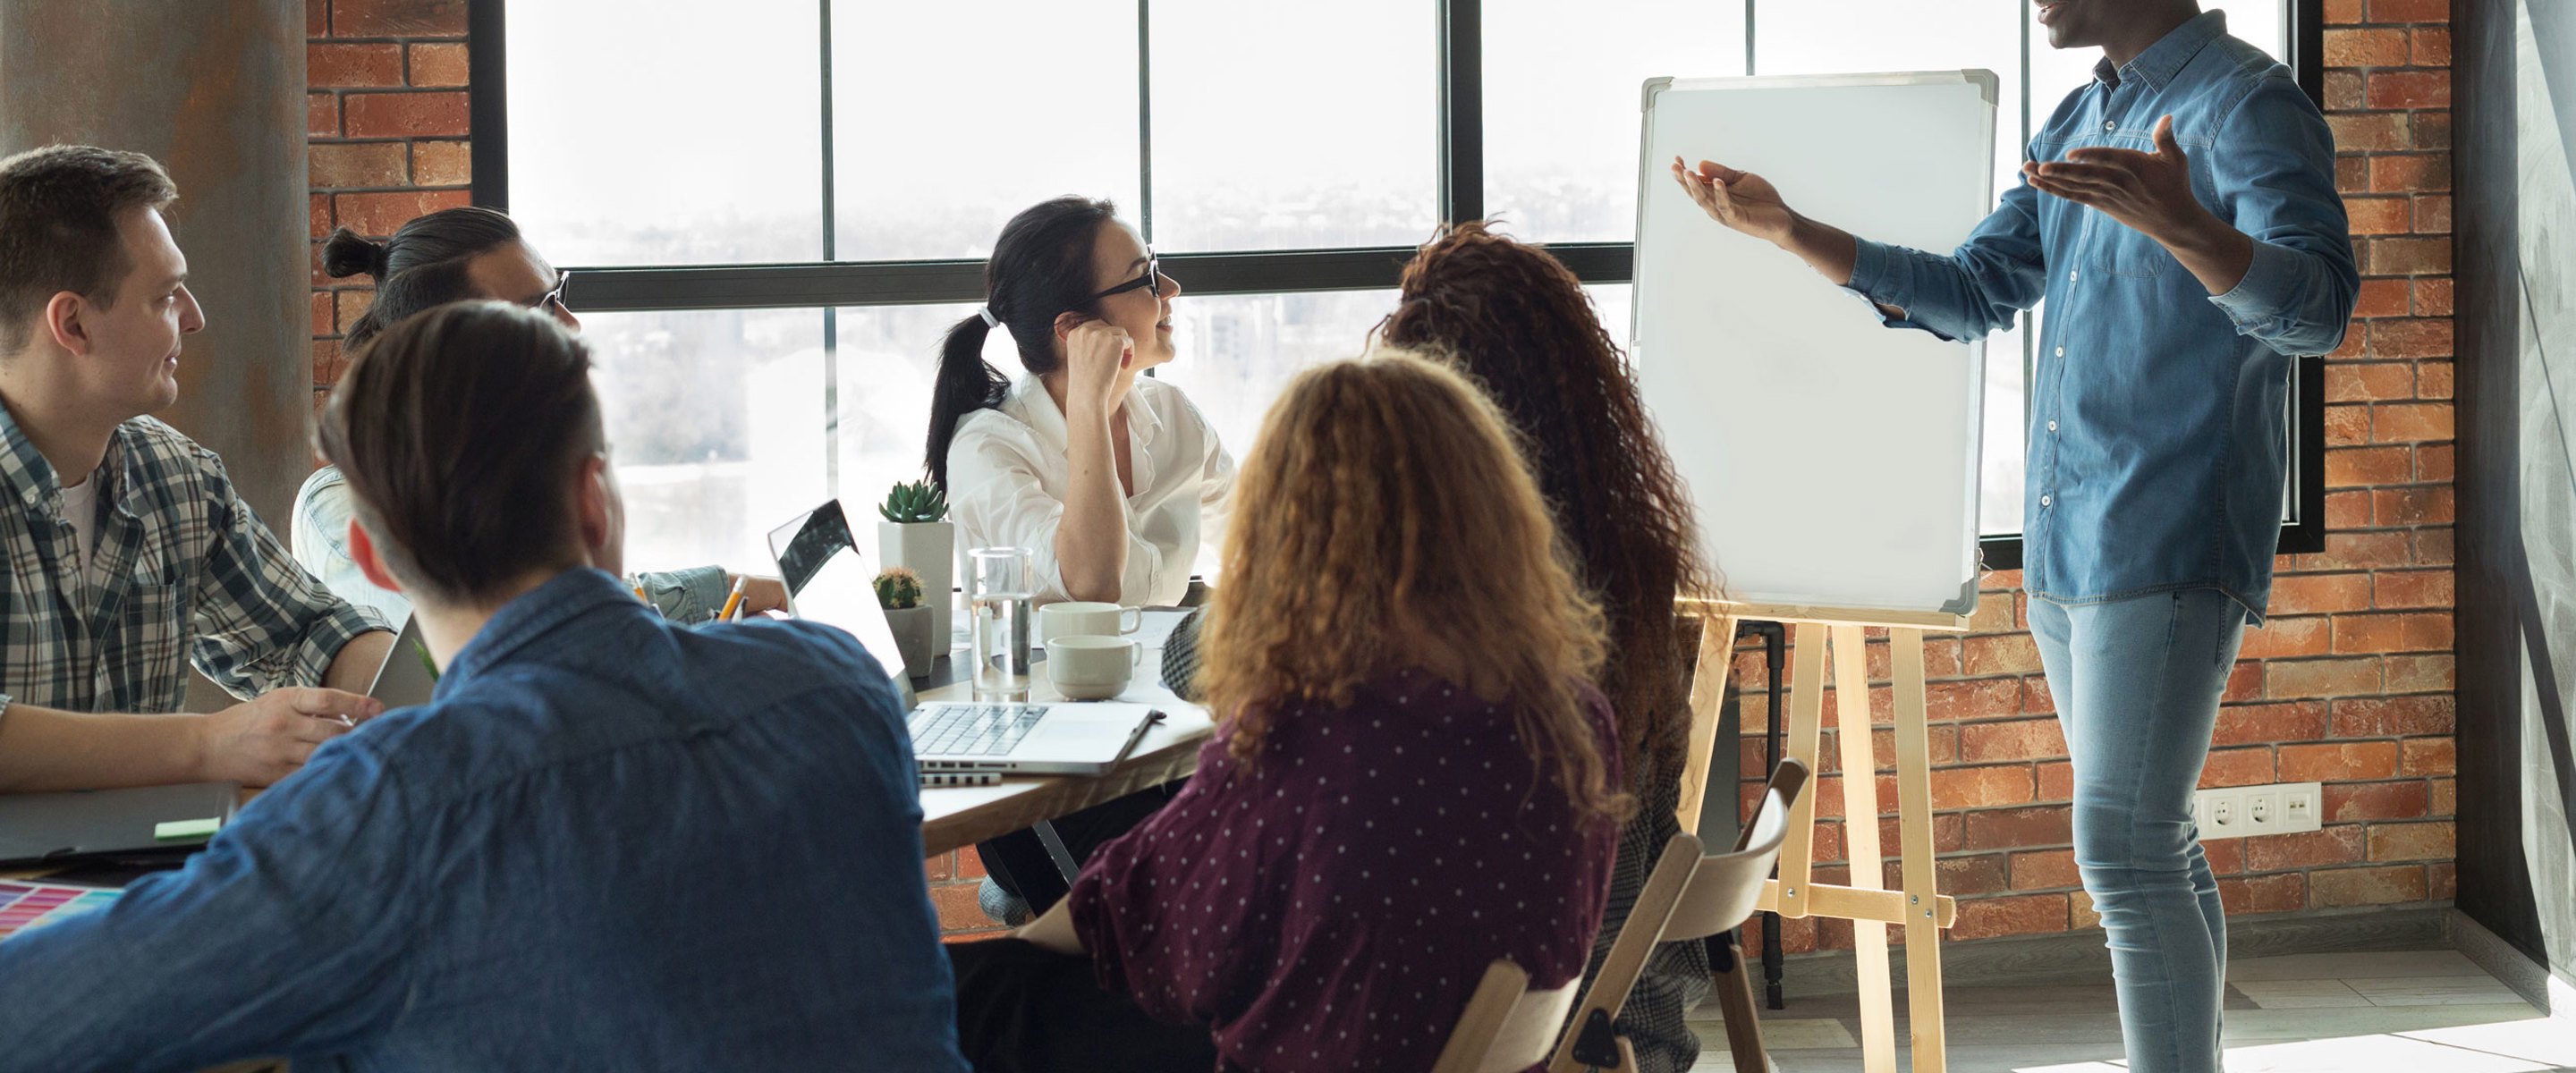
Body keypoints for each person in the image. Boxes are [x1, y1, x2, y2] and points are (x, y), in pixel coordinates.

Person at [0, 301, 970, 1071]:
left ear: (372, 560)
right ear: (594, 502)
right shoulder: (840, 687)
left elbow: (42, 1017)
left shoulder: (390, 811)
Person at [1671, 4, 2357, 1071]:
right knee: (2154, 841)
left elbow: (2317, 311)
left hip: (2171, 530)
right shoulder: (2080, 117)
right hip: (2067, 539)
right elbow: (1973, 290)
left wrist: (2189, 227)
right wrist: (1790, 228)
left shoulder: (2246, 102)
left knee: (2123, 847)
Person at [947, 350, 1626, 1073]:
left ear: (1291, 536)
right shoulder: (1574, 719)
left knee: (954, 997)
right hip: (1454, 1048)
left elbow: (1123, 923)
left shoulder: (1306, 743)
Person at [1370, 220, 1718, 1073]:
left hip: (1506, 1039)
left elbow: (1201, 664)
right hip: (1628, 1021)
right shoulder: (1627, 557)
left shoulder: (1436, 593)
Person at [0, 145, 393, 793]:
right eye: (164, 297)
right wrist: (207, 743)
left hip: (141, 881)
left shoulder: (175, 475)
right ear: (72, 323)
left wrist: (423, 692)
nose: (195, 317)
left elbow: (305, 635)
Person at [298, 207, 784, 624]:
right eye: (541, 308)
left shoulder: (506, 461)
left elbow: (590, 601)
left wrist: (757, 590)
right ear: (447, 344)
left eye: (561, 293)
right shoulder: (340, 503)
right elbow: (535, 618)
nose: (572, 323)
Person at [928, 196, 1233, 608]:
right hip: (1034, 675)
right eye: (1146, 278)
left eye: (1154, 265)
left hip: (1155, 672)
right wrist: (1088, 403)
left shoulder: (1173, 413)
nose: (1171, 289)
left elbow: (1259, 539)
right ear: (1074, 328)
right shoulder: (987, 449)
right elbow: (1092, 583)